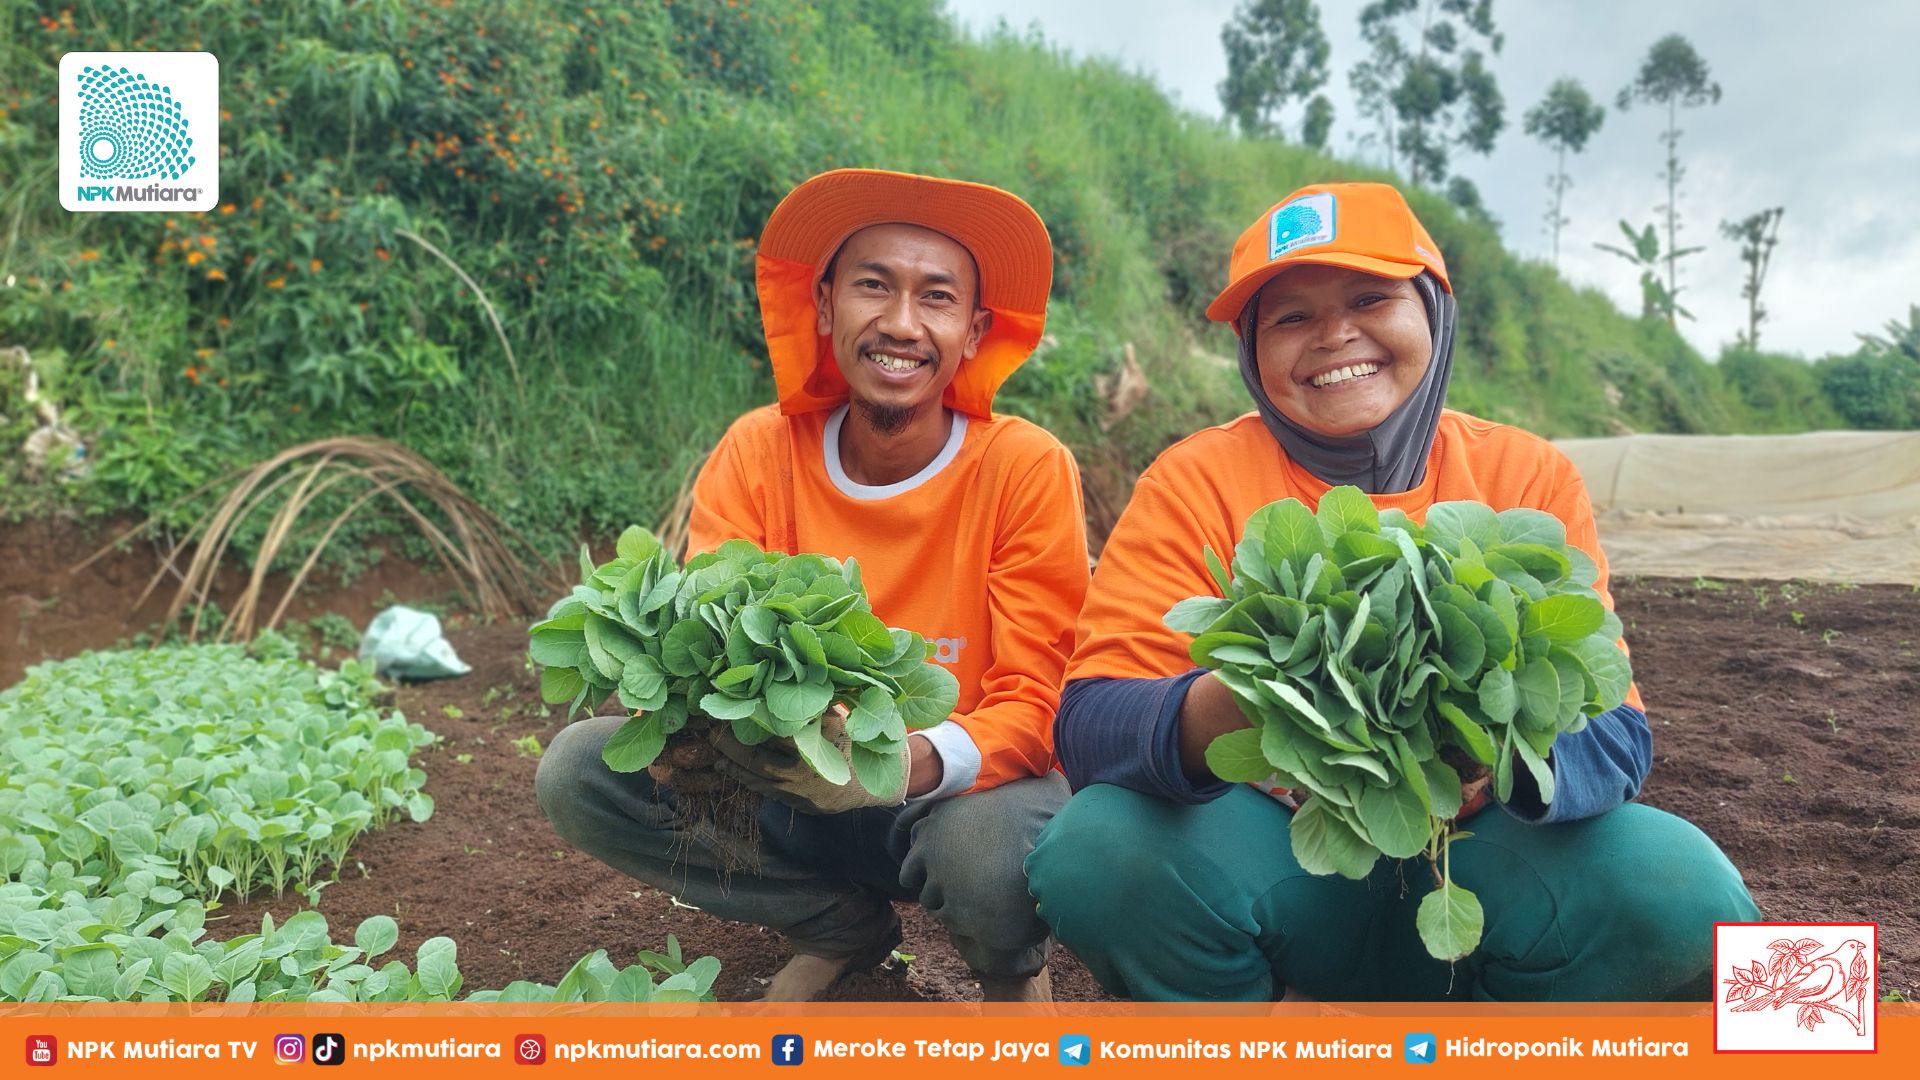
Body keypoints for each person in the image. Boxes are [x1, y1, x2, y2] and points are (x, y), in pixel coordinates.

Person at [1024, 181, 1762, 1002]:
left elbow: (1618, 737)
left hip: (1489, 867)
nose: (1335, 334)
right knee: (1097, 847)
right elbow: (1090, 726)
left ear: (1434, 313)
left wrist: (1487, 742)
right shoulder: (1196, 479)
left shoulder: (1525, 474)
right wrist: (1260, 701)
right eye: (1289, 316)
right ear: (1251, 350)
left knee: (1685, 889)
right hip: (1283, 865)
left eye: (1371, 296)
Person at [537, 169, 1089, 1002]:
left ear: (973, 332)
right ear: (825, 307)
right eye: (874, 286)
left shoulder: (1023, 466)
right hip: (787, 777)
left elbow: (1040, 696)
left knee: (988, 850)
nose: (901, 323)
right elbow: (702, 641)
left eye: (936, 298)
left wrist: (899, 763)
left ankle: (1009, 974)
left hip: (950, 792)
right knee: (580, 772)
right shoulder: (759, 450)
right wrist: (680, 720)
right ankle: (837, 923)